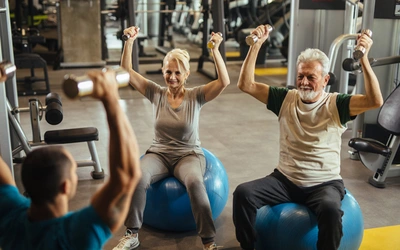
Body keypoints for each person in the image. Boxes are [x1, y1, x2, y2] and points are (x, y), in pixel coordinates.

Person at [233, 25, 383, 250]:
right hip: (285, 180)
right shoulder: (285, 98)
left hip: (324, 183)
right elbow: (246, 84)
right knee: (243, 193)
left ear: (325, 79)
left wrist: (364, 59)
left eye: (311, 77)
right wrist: (256, 46)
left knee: (331, 210)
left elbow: (375, 100)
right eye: (300, 76)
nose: (304, 82)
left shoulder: (337, 104)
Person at [113, 26, 230, 250]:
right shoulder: (155, 92)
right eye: (168, 72)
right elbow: (126, 72)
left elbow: (224, 82)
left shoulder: (197, 96)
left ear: (186, 74)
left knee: (196, 183)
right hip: (159, 154)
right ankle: (132, 233)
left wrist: (215, 50)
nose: (172, 77)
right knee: (137, 178)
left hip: (189, 155)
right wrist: (129, 42)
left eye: (178, 73)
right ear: (162, 71)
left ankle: (209, 243)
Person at [0, 68, 142, 249]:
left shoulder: (10, 216)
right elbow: (126, 176)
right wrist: (110, 97)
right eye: (73, 172)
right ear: (66, 187)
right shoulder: (76, 233)